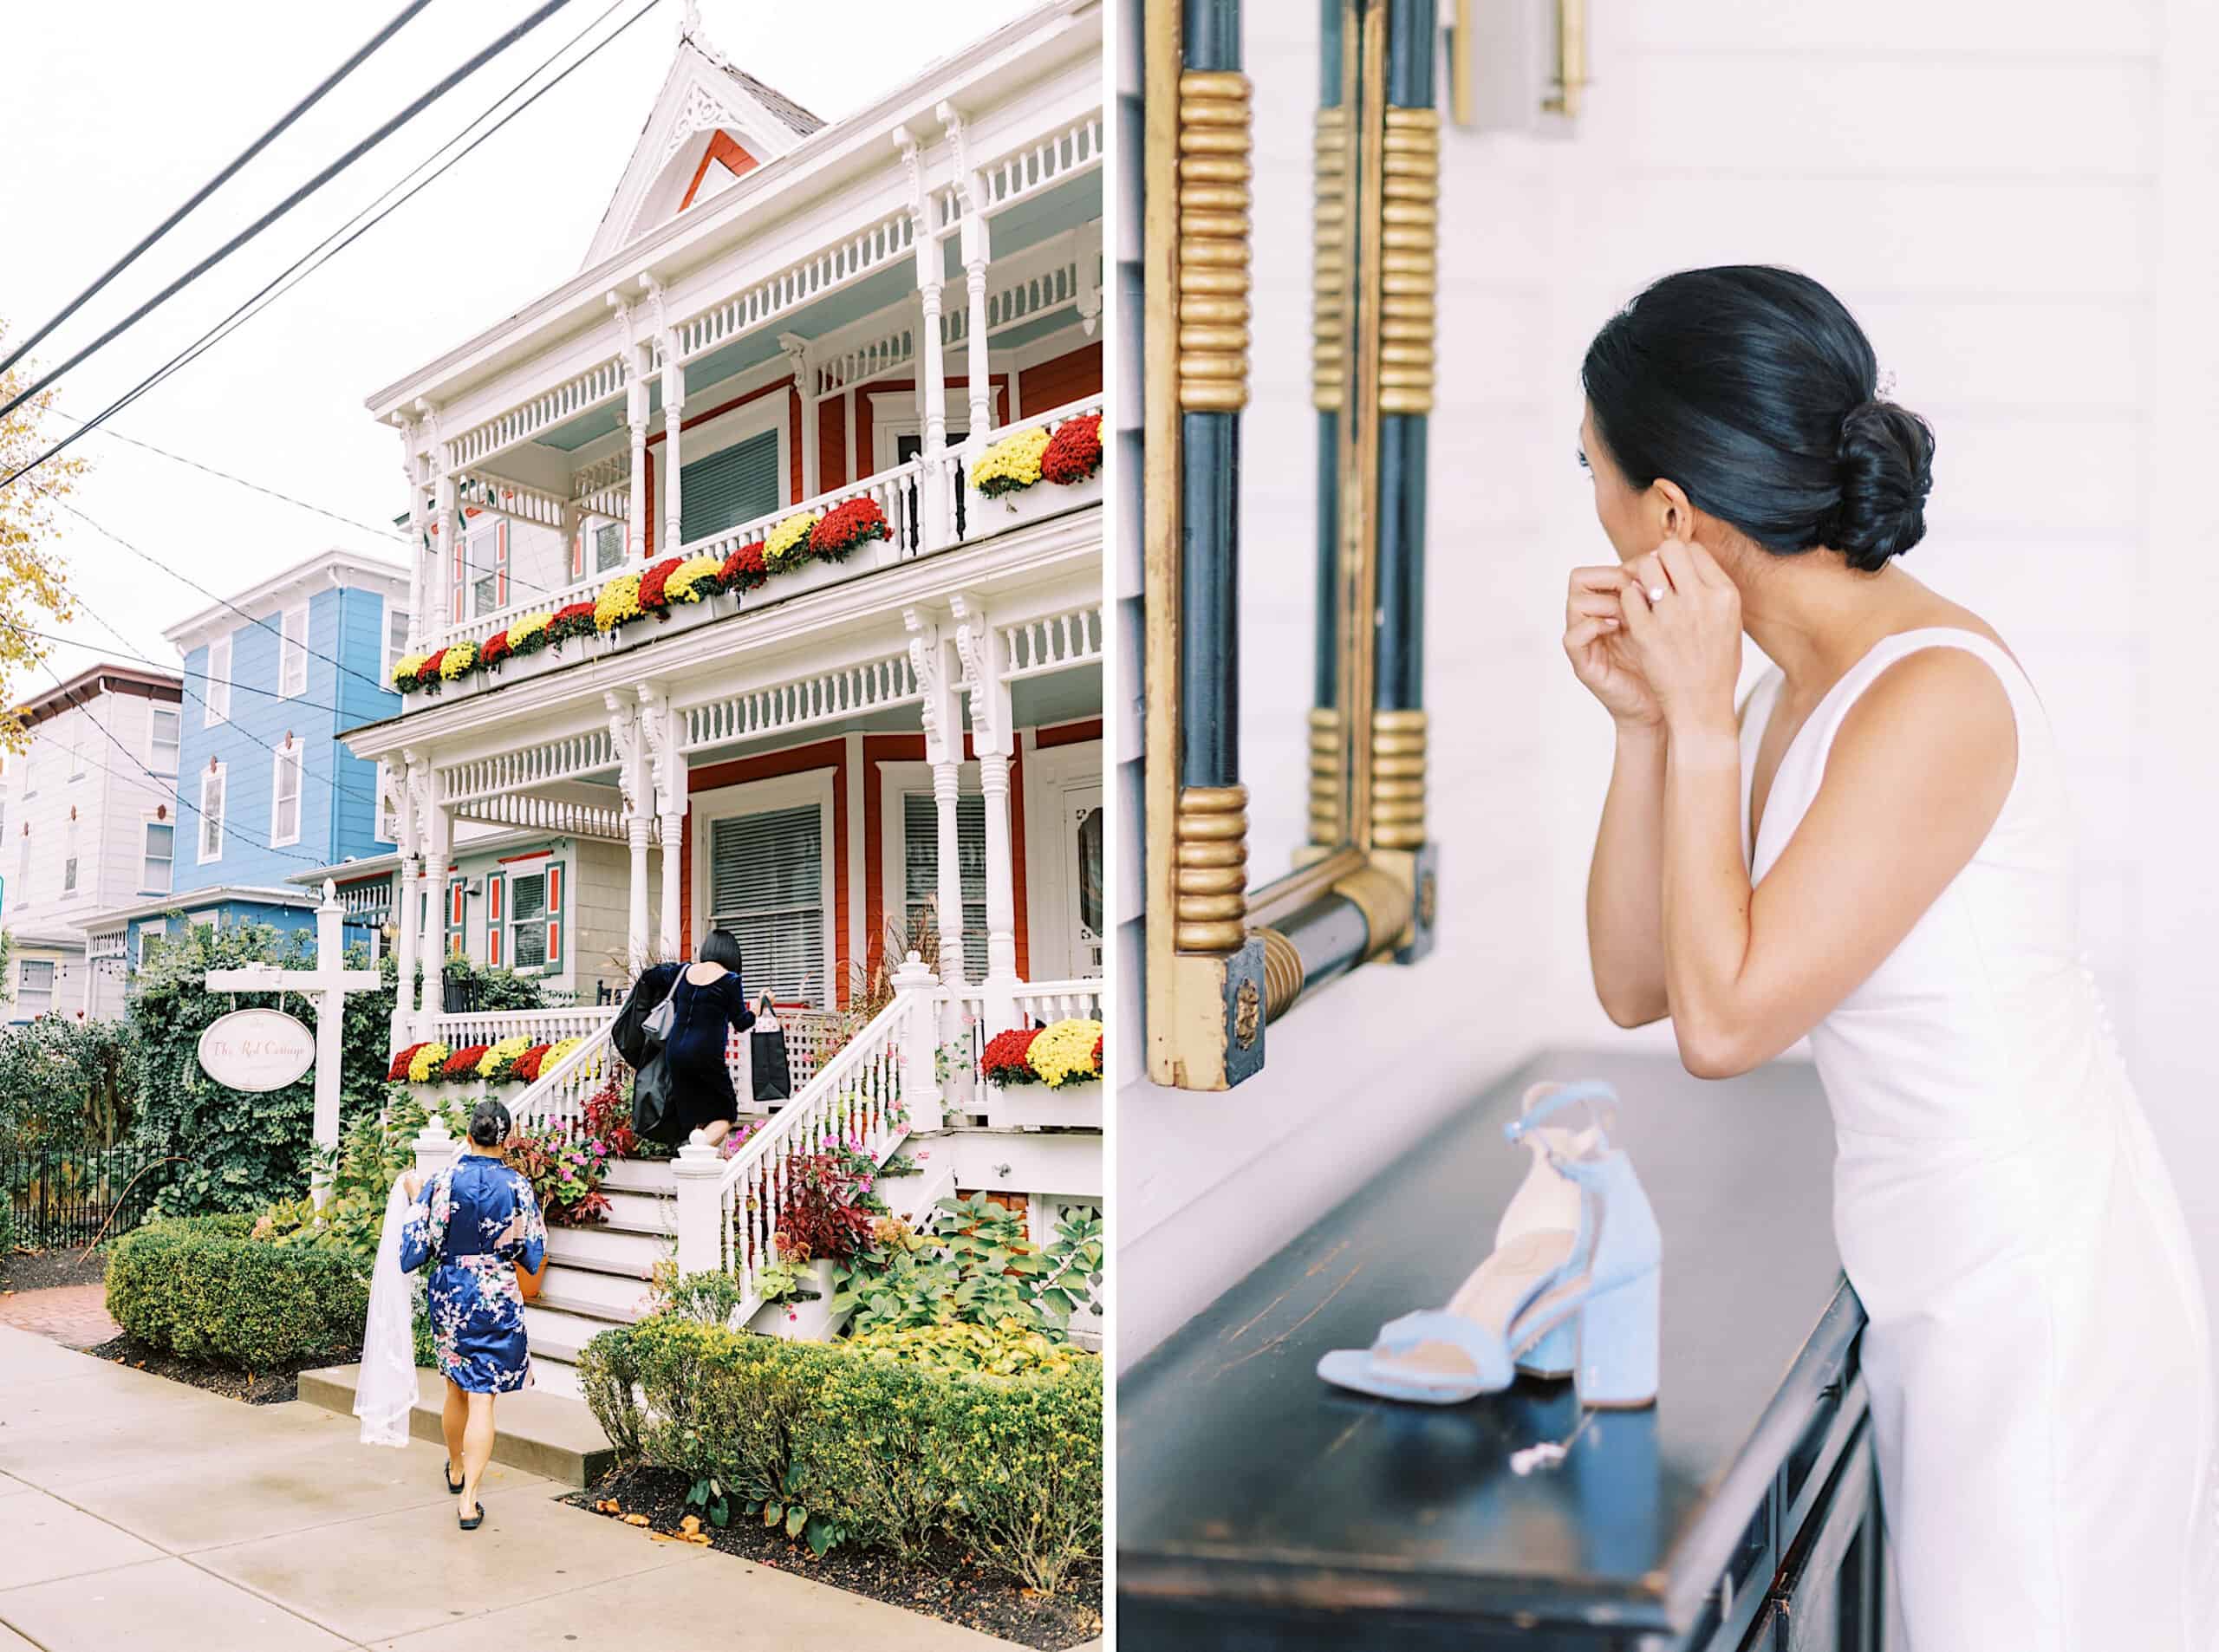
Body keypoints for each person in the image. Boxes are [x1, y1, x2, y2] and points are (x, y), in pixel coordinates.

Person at [1565, 264, 2214, 1651]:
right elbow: (1640, 982)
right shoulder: (1790, 689)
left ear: (1670, 517)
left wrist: (1700, 729)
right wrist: (1642, 727)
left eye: (1596, 480)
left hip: (2037, 1311)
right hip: (1935, 1283)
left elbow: (1725, 1028)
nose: (1598, 519)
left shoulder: (1931, 696)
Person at [399, 1096, 545, 1532]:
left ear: (468, 1137)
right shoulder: (518, 1187)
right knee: (484, 1398)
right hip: (497, 1293)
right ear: (508, 1139)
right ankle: (469, 1500)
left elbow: (413, 1251)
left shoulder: (441, 1182)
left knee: (455, 1390)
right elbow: (532, 1254)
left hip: (451, 1294)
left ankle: (456, 1467)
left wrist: (414, 1196)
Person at [653, 927, 756, 1148]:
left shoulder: (682, 971)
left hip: (675, 1052)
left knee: (692, 1115)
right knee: (726, 1112)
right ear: (732, 954)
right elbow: (742, 1022)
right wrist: (757, 1009)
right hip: (705, 1054)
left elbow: (650, 978)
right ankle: (692, 1155)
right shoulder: (730, 980)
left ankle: (692, 1160)